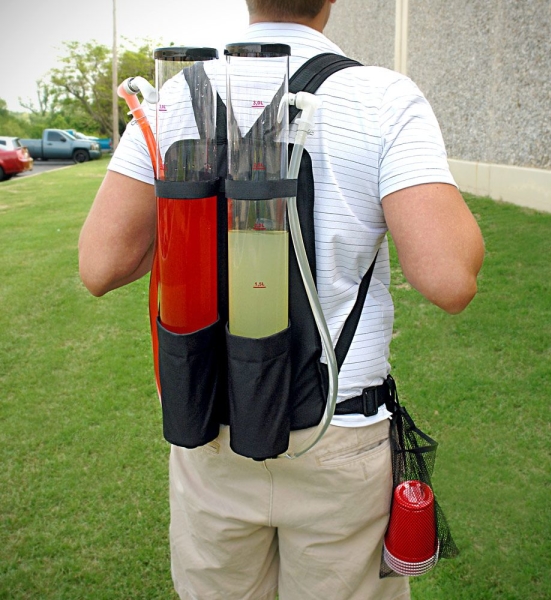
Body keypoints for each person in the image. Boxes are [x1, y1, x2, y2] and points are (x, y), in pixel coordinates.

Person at [79, 1, 484, 598]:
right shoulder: (384, 98)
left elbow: (100, 264)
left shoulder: (174, 100)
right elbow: (451, 279)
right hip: (338, 435)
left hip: (210, 429)